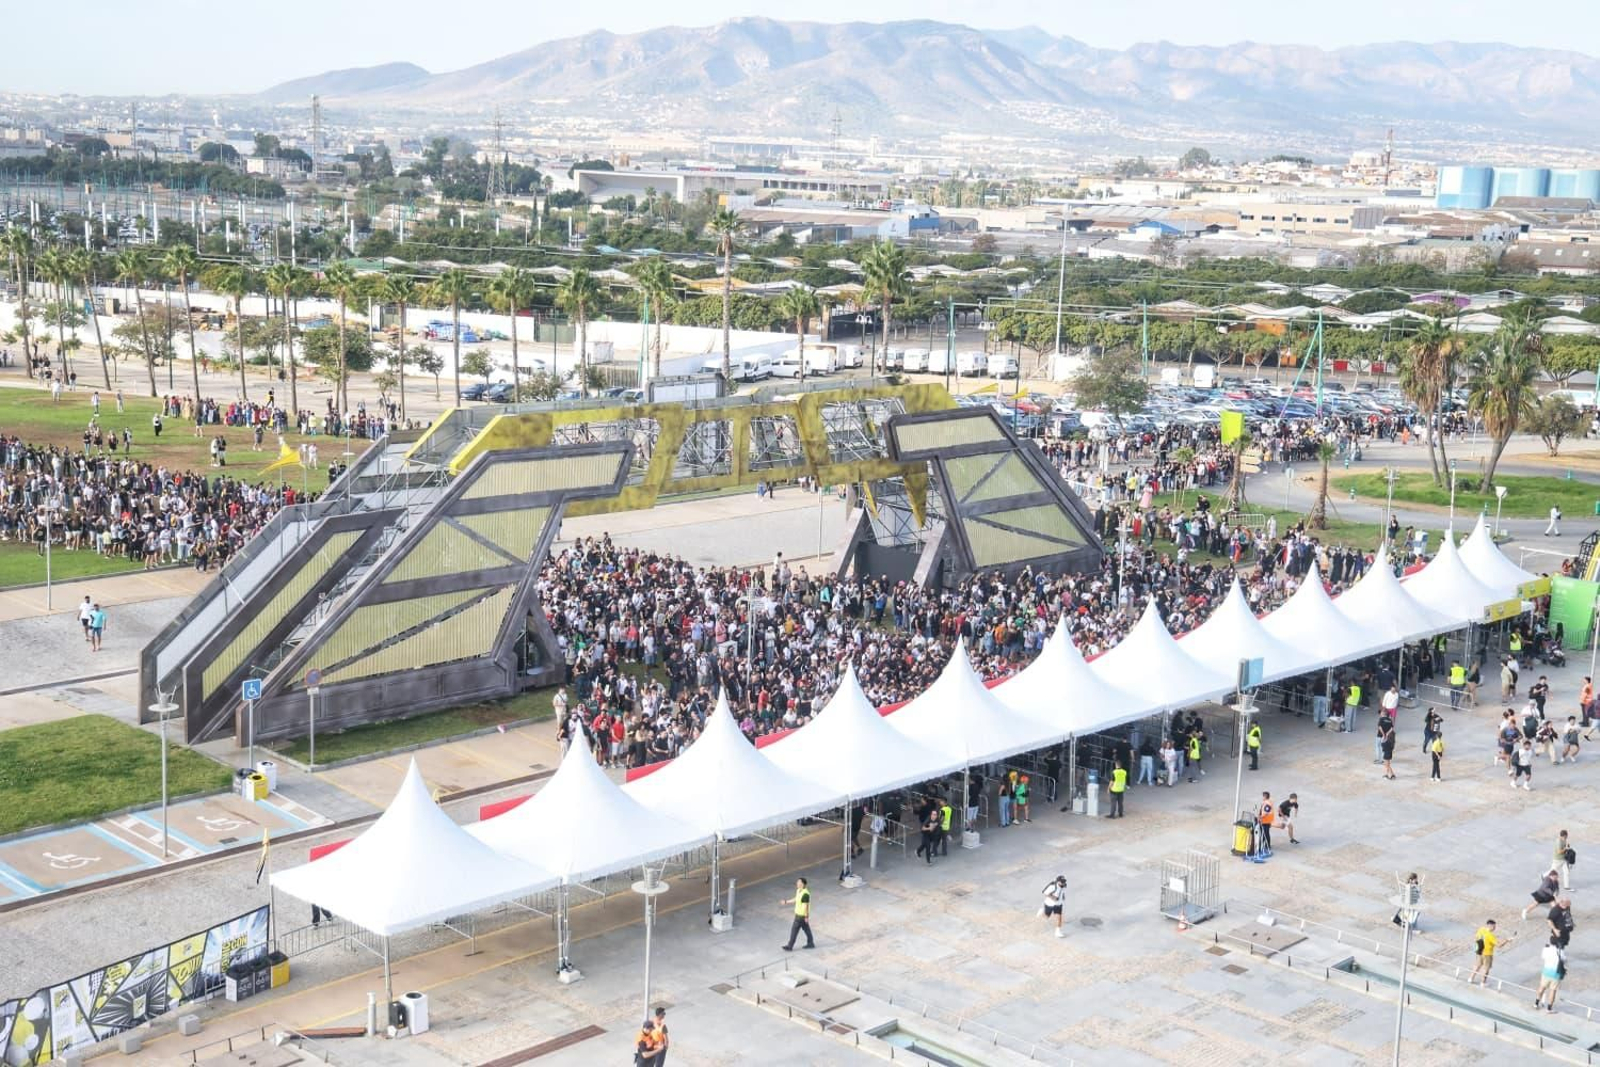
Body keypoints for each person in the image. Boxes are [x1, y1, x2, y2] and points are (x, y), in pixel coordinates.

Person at [780, 877, 814, 951]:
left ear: (802, 884)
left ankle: (790, 946)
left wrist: (806, 916)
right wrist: (786, 902)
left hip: (801, 916)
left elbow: (806, 906)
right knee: (806, 929)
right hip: (799, 915)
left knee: (794, 930)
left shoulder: (806, 894)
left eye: (798, 882)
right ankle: (811, 943)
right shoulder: (799, 891)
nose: (797, 883)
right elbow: (796, 899)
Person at [1537, 937, 1566, 1013]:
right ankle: (1549, 1008)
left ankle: (1536, 1002)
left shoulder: (1546, 949)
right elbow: (1564, 960)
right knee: (1553, 990)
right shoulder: (1560, 951)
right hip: (1555, 974)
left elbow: (1543, 957)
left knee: (1542, 987)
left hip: (1546, 971)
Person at [1468, 920, 1498, 985]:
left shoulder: (1481, 929)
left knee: (1477, 965)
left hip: (1479, 951)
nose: (1495, 928)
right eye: (1494, 926)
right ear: (1490, 926)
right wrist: (1507, 940)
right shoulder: (1491, 935)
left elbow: (1476, 937)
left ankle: (1470, 978)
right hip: (1487, 954)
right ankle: (1483, 982)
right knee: (1486, 968)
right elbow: (1499, 945)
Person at [1041, 875, 1067, 939]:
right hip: (1050, 904)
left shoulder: (1064, 885)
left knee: (1059, 917)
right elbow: (1044, 892)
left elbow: (1062, 891)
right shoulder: (1053, 886)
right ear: (1058, 881)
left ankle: (1057, 932)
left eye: (1064, 881)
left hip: (1058, 904)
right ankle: (1042, 911)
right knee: (1046, 916)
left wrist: (1063, 896)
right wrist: (1053, 897)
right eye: (1061, 882)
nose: (1063, 883)